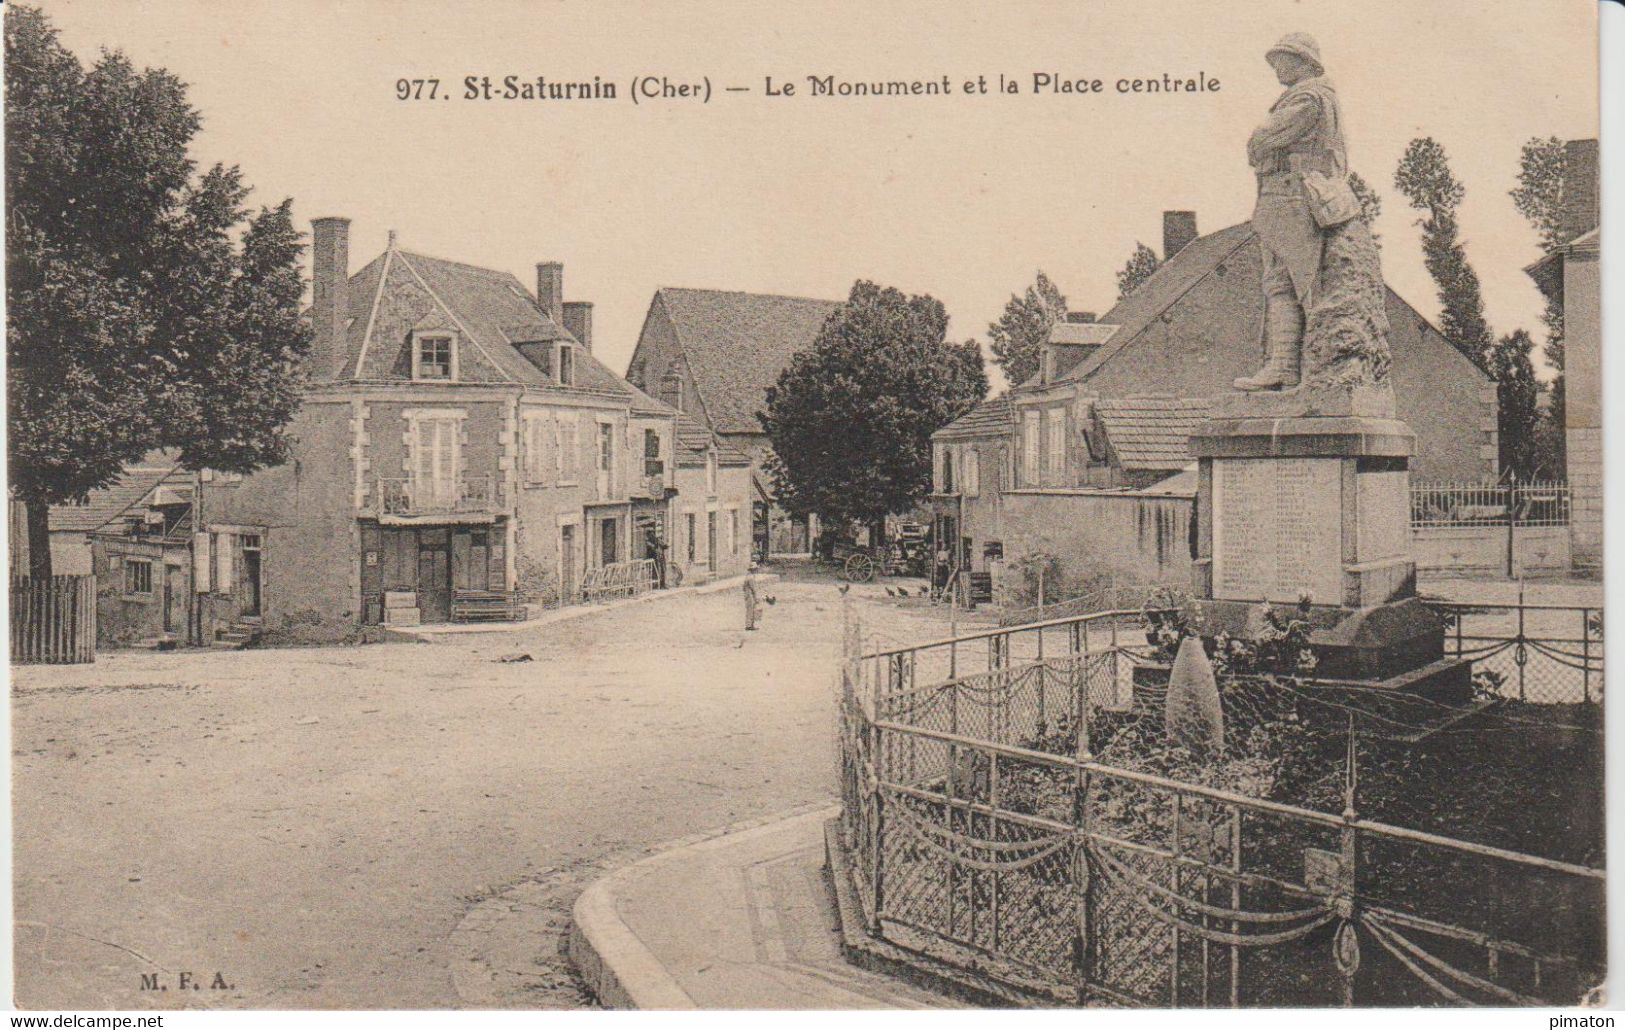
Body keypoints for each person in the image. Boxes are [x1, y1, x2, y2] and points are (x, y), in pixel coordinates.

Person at [1233, 32, 1390, 393]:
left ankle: (1299, 367)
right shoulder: (1309, 97)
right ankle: (1285, 367)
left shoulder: (1309, 98)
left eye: (1283, 60)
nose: (1276, 68)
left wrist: (1259, 144)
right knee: (1282, 283)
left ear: (1305, 62)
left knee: (1297, 283)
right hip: (1285, 196)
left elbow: (1261, 139)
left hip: (1294, 197)